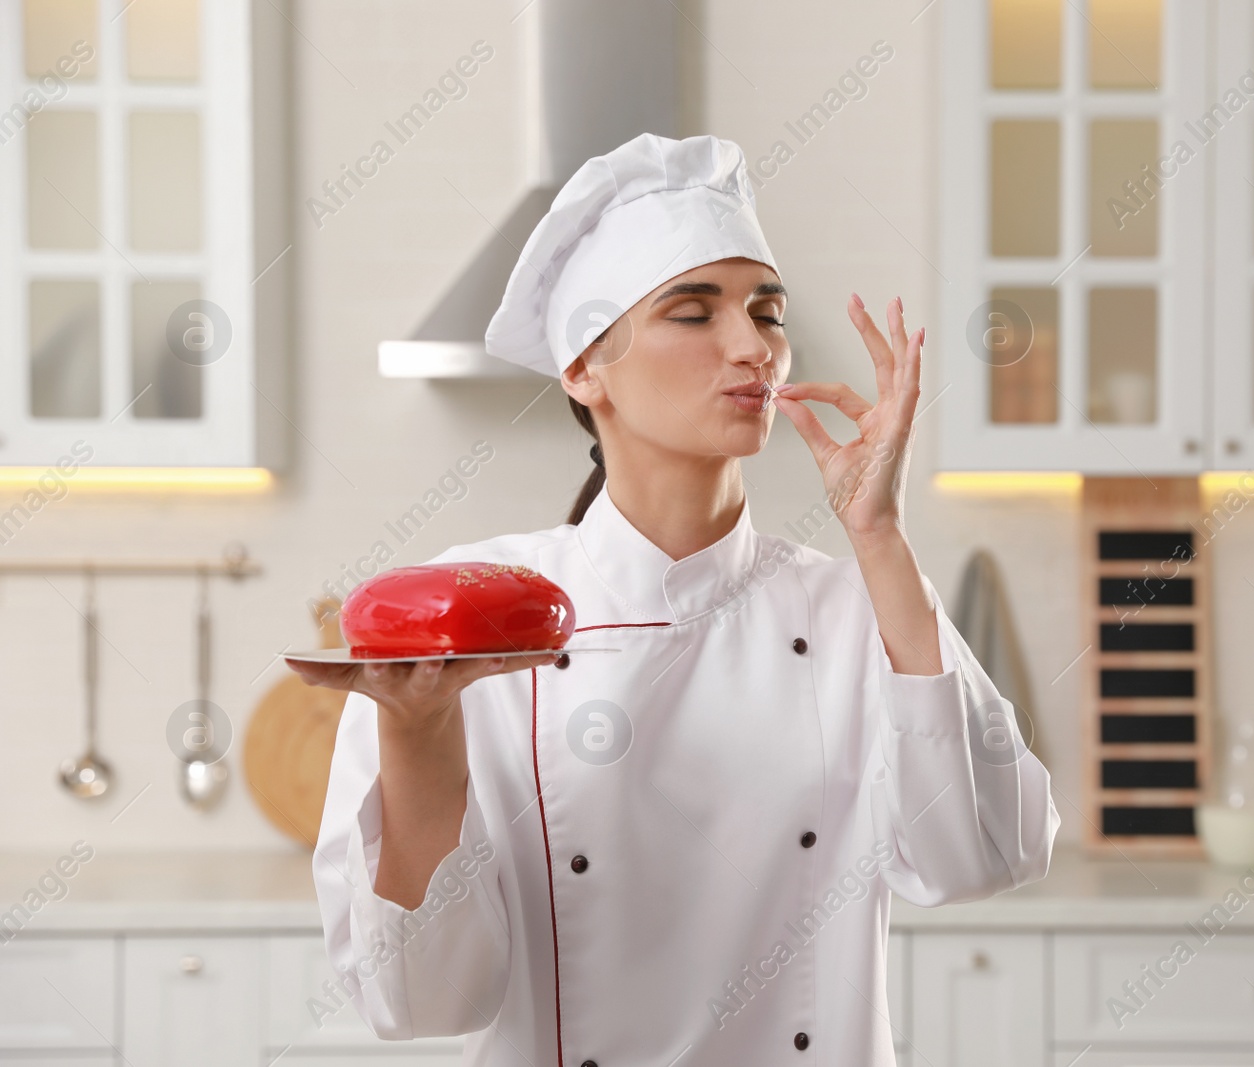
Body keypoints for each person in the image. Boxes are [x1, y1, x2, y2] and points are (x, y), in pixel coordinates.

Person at [293, 132, 1059, 1067]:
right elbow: (421, 998)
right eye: (694, 313)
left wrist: (878, 533)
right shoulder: (478, 623)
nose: (755, 349)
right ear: (584, 369)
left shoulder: (852, 609)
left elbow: (985, 855)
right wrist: (415, 735)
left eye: (766, 312)